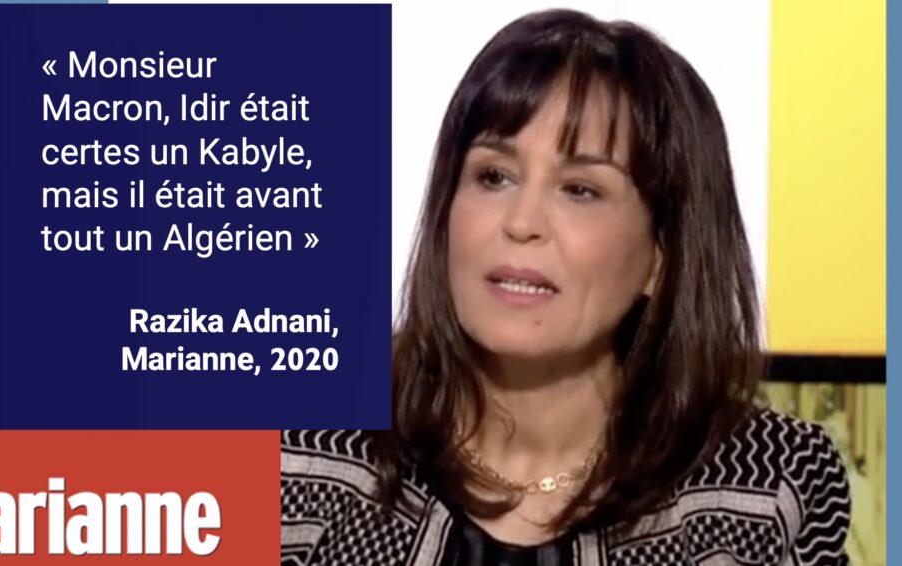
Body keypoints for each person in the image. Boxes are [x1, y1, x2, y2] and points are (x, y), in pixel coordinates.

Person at [282, 9, 851, 565]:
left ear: (663, 254)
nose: (521, 221)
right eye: (493, 176)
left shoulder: (770, 486)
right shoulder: (296, 456)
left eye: (580, 189)